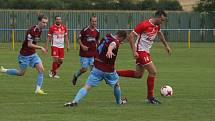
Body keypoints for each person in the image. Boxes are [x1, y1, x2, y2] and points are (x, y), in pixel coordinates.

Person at [116, 10, 171, 104]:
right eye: (161, 20)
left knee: (138, 75)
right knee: (153, 71)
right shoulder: (144, 24)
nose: (162, 22)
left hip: (146, 52)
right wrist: (134, 51)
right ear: (157, 17)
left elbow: (160, 34)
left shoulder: (157, 25)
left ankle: (113, 73)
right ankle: (150, 97)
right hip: (140, 51)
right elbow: (131, 36)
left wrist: (166, 45)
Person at [64, 30, 128, 107]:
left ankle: (74, 101)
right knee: (116, 84)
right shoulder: (115, 42)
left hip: (97, 67)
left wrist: (113, 45)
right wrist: (110, 50)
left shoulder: (107, 36)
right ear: (121, 37)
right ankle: (119, 101)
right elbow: (112, 44)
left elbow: (108, 43)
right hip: (108, 70)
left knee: (86, 87)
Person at [0, 14, 49, 95]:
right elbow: (29, 44)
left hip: (33, 54)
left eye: (46, 23)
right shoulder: (32, 30)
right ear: (39, 21)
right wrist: (41, 47)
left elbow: (33, 43)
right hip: (24, 55)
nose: (45, 24)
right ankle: (3, 70)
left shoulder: (40, 30)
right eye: (43, 22)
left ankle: (38, 89)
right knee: (21, 73)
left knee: (41, 69)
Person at [72, 16, 100, 85]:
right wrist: (82, 46)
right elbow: (79, 39)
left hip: (93, 54)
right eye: (93, 21)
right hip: (84, 54)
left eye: (95, 21)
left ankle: (89, 83)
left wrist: (99, 47)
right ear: (90, 21)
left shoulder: (97, 31)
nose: (94, 23)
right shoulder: (85, 30)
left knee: (93, 70)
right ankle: (76, 75)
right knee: (84, 69)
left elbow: (97, 40)